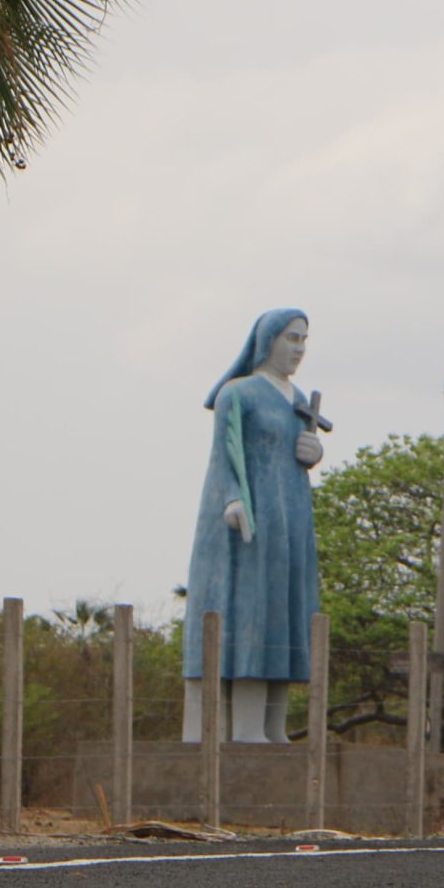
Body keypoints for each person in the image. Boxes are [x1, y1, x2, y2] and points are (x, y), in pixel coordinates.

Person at [183, 308, 325, 744]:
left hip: (291, 521)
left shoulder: (297, 397)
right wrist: (231, 496)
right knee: (248, 611)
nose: (298, 349)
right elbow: (223, 450)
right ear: (267, 341)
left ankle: (273, 728)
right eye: (291, 338)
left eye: (304, 340)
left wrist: (312, 451)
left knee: (283, 611)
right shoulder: (238, 393)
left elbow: (298, 452)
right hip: (246, 521)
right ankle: (241, 730)